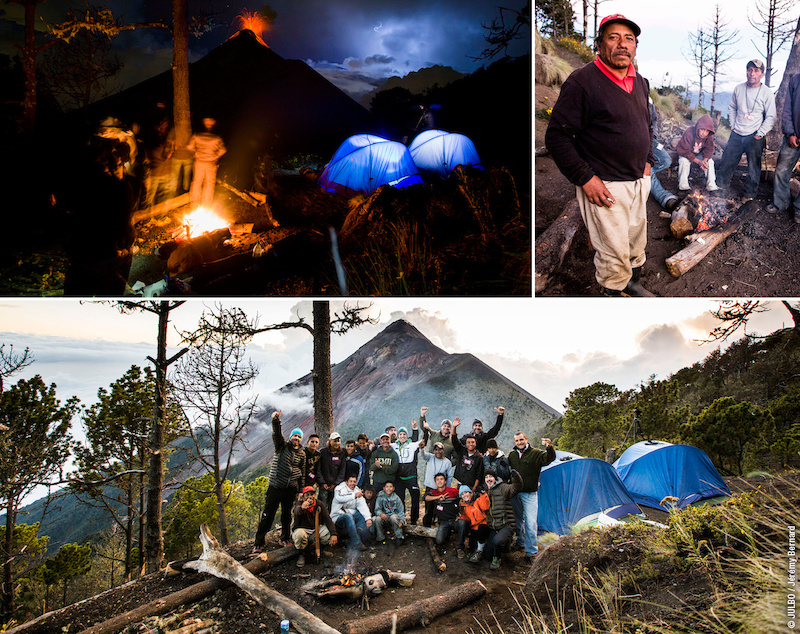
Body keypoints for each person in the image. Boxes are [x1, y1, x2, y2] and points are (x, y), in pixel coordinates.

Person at [545, 14, 655, 297]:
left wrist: (648, 162)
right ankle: (613, 293)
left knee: (635, 242)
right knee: (612, 252)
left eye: (628, 39)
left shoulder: (640, 82)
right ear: (600, 44)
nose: (622, 44)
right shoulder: (582, 82)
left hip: (638, 181)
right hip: (605, 185)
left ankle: (632, 284)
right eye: (613, 37)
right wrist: (585, 178)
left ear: (636, 47)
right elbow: (557, 137)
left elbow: (648, 124)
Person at [715, 59, 776, 202]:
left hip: (754, 134)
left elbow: (771, 116)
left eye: (756, 70)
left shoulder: (767, 93)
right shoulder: (739, 88)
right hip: (737, 133)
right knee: (727, 161)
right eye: (749, 70)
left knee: (754, 167)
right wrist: (733, 125)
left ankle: (749, 194)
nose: (752, 73)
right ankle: (720, 187)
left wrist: (760, 133)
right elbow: (732, 107)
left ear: (761, 74)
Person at [253, 411, 306, 551]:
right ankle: (259, 542)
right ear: (290, 437)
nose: (297, 438)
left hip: (291, 489)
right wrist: (276, 420)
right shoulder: (281, 446)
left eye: (299, 436)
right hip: (275, 487)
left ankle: (285, 538)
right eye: (295, 435)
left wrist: (300, 490)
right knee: (267, 515)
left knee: (286, 515)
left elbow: (303, 473)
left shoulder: (302, 453)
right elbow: (276, 434)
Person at [508, 432, 555, 560]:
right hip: (515, 493)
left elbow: (549, 459)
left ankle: (532, 552)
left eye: (521, 440)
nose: (519, 442)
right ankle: (520, 542)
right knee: (519, 520)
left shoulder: (536, 453)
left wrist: (549, 448)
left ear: (526, 439)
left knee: (531, 523)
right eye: (517, 440)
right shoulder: (512, 455)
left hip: (529, 493)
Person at [767, 70, 800, 221]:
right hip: (792, 136)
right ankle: (781, 203)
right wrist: (790, 132)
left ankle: (799, 209)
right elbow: (787, 109)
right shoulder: (796, 80)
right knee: (781, 170)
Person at [483, 469, 523, 570]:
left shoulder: (503, 488)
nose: (489, 479)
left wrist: (516, 477)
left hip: (507, 525)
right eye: (487, 477)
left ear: (495, 478)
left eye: (491, 477)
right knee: (488, 556)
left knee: (497, 541)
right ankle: (504, 546)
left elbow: (516, 488)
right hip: (494, 526)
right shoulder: (485, 491)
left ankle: (497, 558)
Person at [291, 486, 338, 567]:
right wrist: (302, 508)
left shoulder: (319, 504)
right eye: (307, 495)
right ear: (304, 496)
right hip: (303, 529)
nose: (310, 497)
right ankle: (302, 553)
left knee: (327, 532)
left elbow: (327, 518)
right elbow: (296, 512)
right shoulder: (299, 504)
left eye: (312, 494)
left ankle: (321, 549)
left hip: (316, 528)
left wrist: (334, 534)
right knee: (299, 535)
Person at [648, 98, 680, 210]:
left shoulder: (649, 102)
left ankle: (643, 175)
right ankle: (664, 197)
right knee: (648, 170)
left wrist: (654, 136)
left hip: (650, 139)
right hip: (635, 142)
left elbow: (654, 121)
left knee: (666, 160)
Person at [187, 116, 226, 208]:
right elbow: (223, 150)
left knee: (197, 182)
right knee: (209, 183)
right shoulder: (217, 138)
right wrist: (215, 156)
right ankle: (207, 204)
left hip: (199, 162)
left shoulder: (197, 135)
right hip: (210, 163)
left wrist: (195, 154)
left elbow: (189, 147)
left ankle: (194, 203)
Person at [676, 114, 719, 192]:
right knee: (683, 161)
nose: (704, 133)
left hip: (699, 155)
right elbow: (684, 150)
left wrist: (704, 161)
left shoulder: (709, 136)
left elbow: (709, 149)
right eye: (702, 129)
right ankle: (683, 185)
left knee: (710, 162)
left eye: (707, 131)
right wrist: (698, 162)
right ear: (698, 127)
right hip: (687, 154)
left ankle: (711, 185)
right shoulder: (689, 132)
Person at [330, 475, 373, 552]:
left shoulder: (357, 490)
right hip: (338, 516)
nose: (352, 483)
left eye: (354, 481)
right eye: (351, 481)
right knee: (348, 516)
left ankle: (361, 539)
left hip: (351, 515)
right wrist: (354, 496)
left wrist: (368, 518)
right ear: (346, 482)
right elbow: (339, 498)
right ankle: (356, 542)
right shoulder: (339, 488)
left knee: (360, 516)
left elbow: (362, 504)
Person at [419, 440, 455, 527]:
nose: (438, 452)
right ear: (433, 451)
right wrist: (421, 448)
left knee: (439, 510)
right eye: (436, 449)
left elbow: (449, 477)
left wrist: (447, 490)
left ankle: (438, 528)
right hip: (430, 487)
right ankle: (426, 528)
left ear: (443, 450)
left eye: (440, 449)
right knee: (429, 510)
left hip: (441, 489)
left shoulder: (447, 462)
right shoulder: (430, 457)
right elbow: (423, 455)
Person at [392, 421, 421, 524]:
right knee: (400, 500)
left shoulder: (411, 445)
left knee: (415, 498)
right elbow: (383, 444)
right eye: (400, 434)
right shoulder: (394, 446)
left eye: (404, 434)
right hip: (399, 478)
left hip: (411, 476)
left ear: (407, 435)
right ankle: (402, 519)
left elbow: (419, 441)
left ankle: (414, 520)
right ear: (398, 436)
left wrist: (415, 429)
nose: (402, 436)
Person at [454, 485, 490, 560]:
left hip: (483, 524)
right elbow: (466, 517)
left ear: (470, 493)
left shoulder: (477, 500)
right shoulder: (463, 505)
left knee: (481, 530)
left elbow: (485, 506)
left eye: (466, 492)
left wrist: (483, 494)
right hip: (474, 527)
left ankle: (480, 550)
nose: (465, 495)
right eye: (462, 494)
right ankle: (478, 548)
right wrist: (460, 518)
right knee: (471, 545)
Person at [425, 473, 459, 549]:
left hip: (454, 519)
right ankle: (447, 534)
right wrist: (438, 497)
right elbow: (426, 498)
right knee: (439, 541)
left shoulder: (452, 491)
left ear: (445, 481)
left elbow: (463, 495)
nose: (439, 481)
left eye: (441, 479)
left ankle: (460, 546)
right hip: (443, 521)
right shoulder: (434, 492)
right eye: (437, 480)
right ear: (435, 482)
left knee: (462, 524)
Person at [451, 418, 484, 493]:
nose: (471, 444)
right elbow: (454, 441)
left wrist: (474, 488)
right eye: (468, 442)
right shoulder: (462, 451)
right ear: (466, 443)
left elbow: (479, 475)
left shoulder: (479, 457)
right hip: (460, 484)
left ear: (475, 443)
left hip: (471, 486)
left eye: (472, 442)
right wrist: (454, 427)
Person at [315, 432, 347, 507]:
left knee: (334, 507)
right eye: (334, 441)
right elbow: (318, 469)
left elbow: (342, 471)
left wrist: (335, 484)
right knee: (322, 507)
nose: (337, 443)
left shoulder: (342, 454)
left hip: (336, 487)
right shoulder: (323, 452)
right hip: (324, 486)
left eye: (338, 441)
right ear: (330, 441)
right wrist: (322, 483)